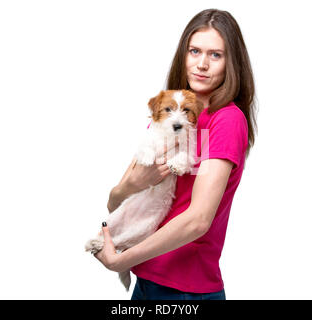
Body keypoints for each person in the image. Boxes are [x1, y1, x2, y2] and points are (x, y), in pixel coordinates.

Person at [95, 8, 257, 300]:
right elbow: (116, 202)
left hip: (186, 289)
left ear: (231, 64)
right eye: (195, 51)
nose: (202, 64)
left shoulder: (226, 120)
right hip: (146, 281)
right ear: (183, 53)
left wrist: (122, 260)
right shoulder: (169, 114)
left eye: (215, 55)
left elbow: (198, 220)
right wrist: (130, 186)